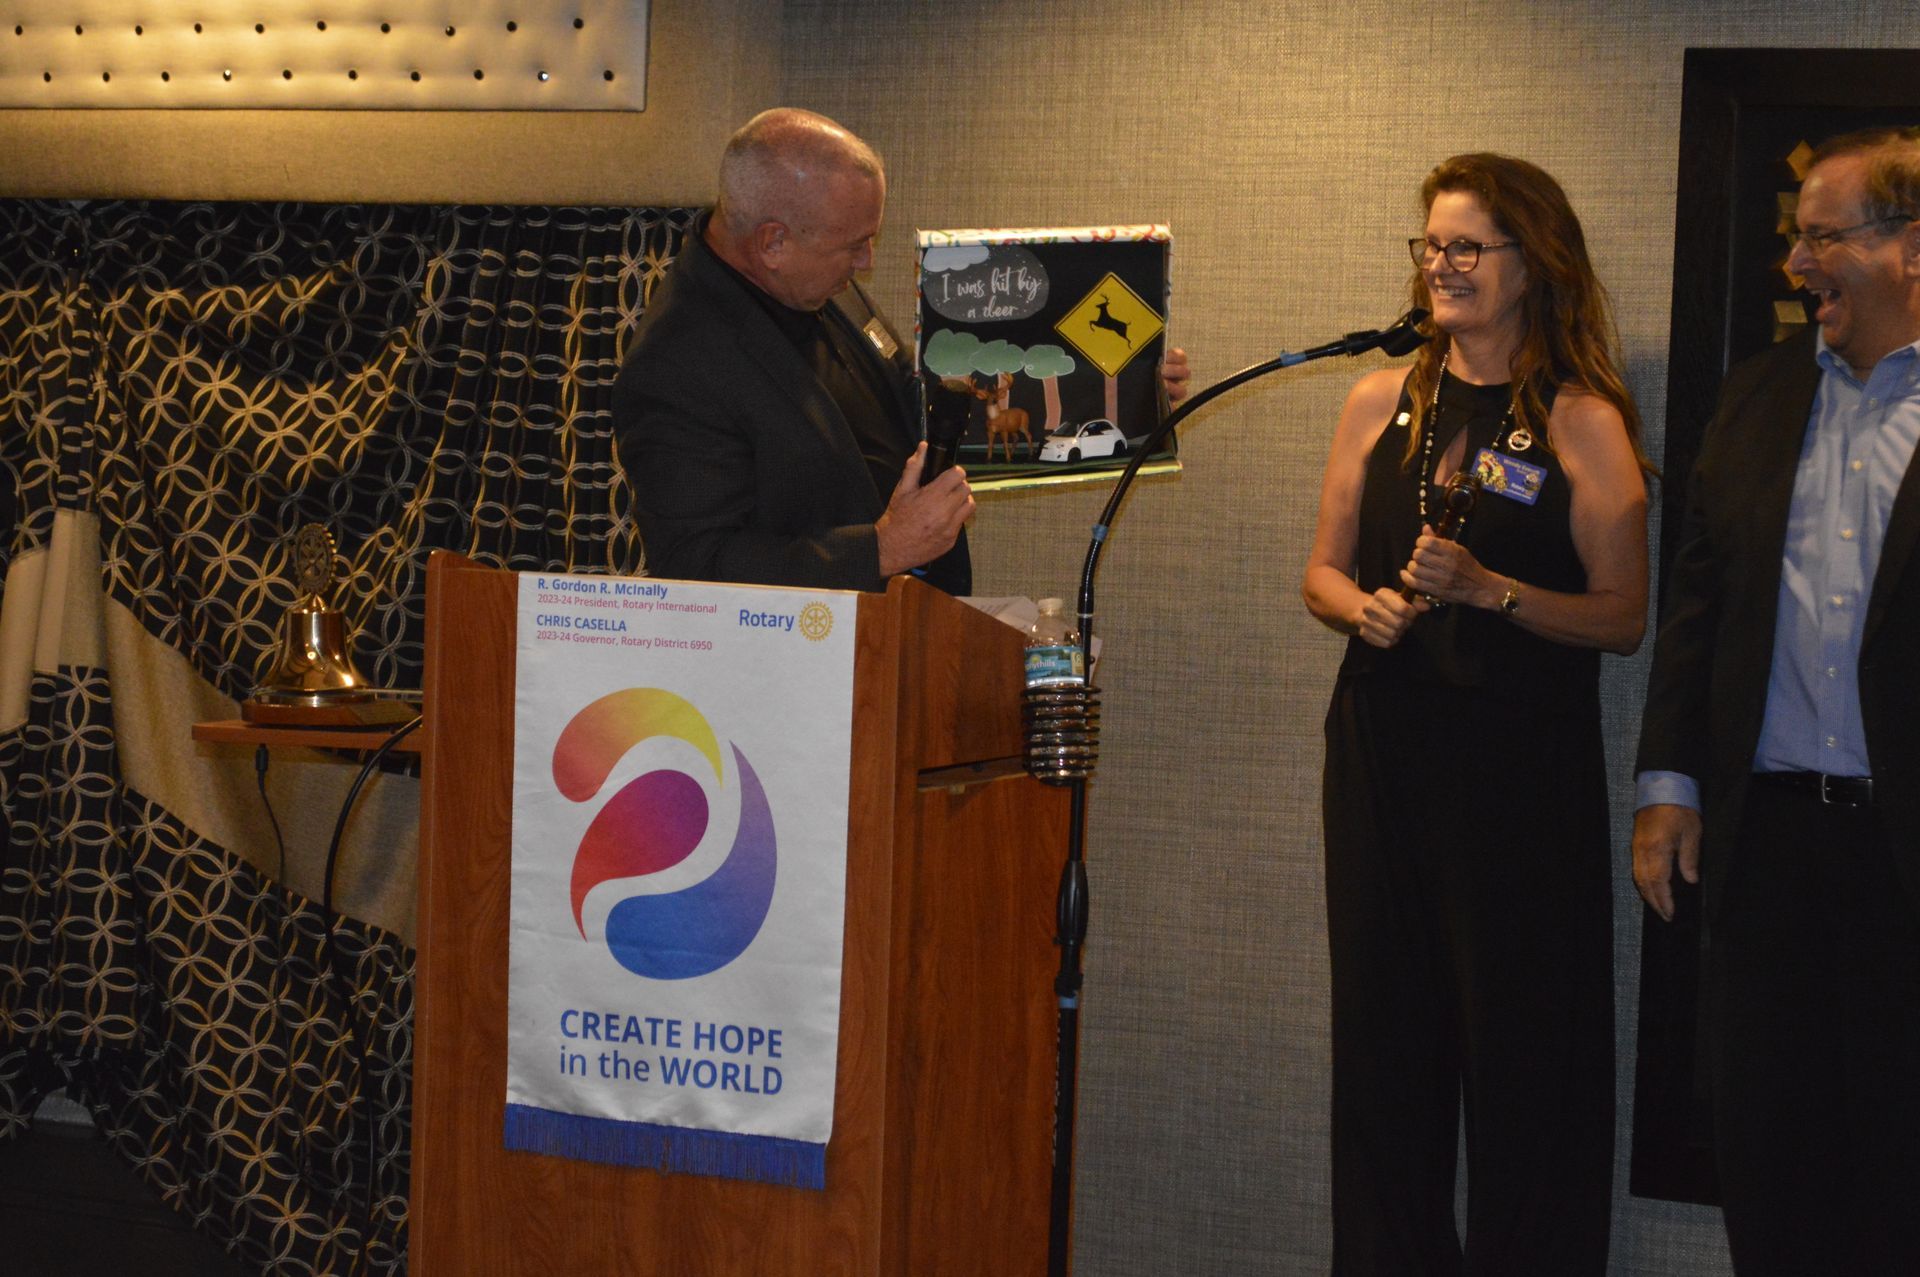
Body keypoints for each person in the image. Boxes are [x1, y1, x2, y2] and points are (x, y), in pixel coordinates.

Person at [1301, 153, 1649, 1274]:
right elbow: (1321, 571)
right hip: (1381, 756)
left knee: (1523, 1061)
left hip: (1516, 776)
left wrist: (1493, 591)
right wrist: (1361, 608)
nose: (1442, 266)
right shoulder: (1379, 399)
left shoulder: (1582, 421)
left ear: (1531, 264)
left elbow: (1624, 615)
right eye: (1432, 246)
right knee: (1382, 1051)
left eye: (1467, 247)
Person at [1632, 126, 1920, 1275]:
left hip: (1905, 853)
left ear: (1910, 247)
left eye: (1823, 237)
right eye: (1796, 239)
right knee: (1773, 1164)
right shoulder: (1755, 397)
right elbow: (1698, 601)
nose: (1797, 264)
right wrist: (1667, 783)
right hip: (1770, 850)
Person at [613, 107, 1190, 593]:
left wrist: (1117, 389)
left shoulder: (810, 282)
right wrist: (882, 549)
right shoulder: (677, 363)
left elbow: (912, 397)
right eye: (855, 245)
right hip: (812, 667)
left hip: (903, 630)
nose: (867, 262)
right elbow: (694, 568)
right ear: (773, 243)